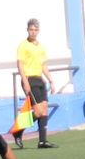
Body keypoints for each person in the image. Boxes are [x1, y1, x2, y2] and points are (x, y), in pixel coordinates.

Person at [14, 17, 55, 148]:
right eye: (31, 29)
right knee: (38, 112)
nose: (33, 32)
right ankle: (18, 130)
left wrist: (51, 80)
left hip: (39, 79)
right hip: (29, 79)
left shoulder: (41, 46)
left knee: (44, 110)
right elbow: (20, 64)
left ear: (38, 31)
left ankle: (42, 141)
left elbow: (43, 65)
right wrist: (25, 81)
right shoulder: (23, 45)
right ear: (27, 30)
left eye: (35, 30)